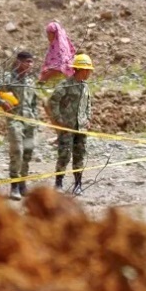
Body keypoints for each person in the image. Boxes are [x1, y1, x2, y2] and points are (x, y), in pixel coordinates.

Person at [0, 51, 37, 200]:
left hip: (29, 121)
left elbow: (34, 101)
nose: (30, 65)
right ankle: (14, 186)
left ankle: (23, 184)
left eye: (31, 62)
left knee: (28, 153)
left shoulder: (30, 81)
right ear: (18, 62)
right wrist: (2, 102)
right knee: (17, 150)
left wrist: (36, 118)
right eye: (27, 61)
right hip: (14, 120)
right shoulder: (8, 78)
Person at [47, 53, 93, 194]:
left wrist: (88, 118)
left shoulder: (85, 86)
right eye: (88, 70)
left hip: (81, 129)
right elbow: (52, 102)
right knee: (64, 155)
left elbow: (88, 104)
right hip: (67, 128)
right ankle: (58, 183)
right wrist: (59, 121)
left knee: (79, 156)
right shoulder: (65, 85)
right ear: (82, 70)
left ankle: (78, 184)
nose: (90, 73)